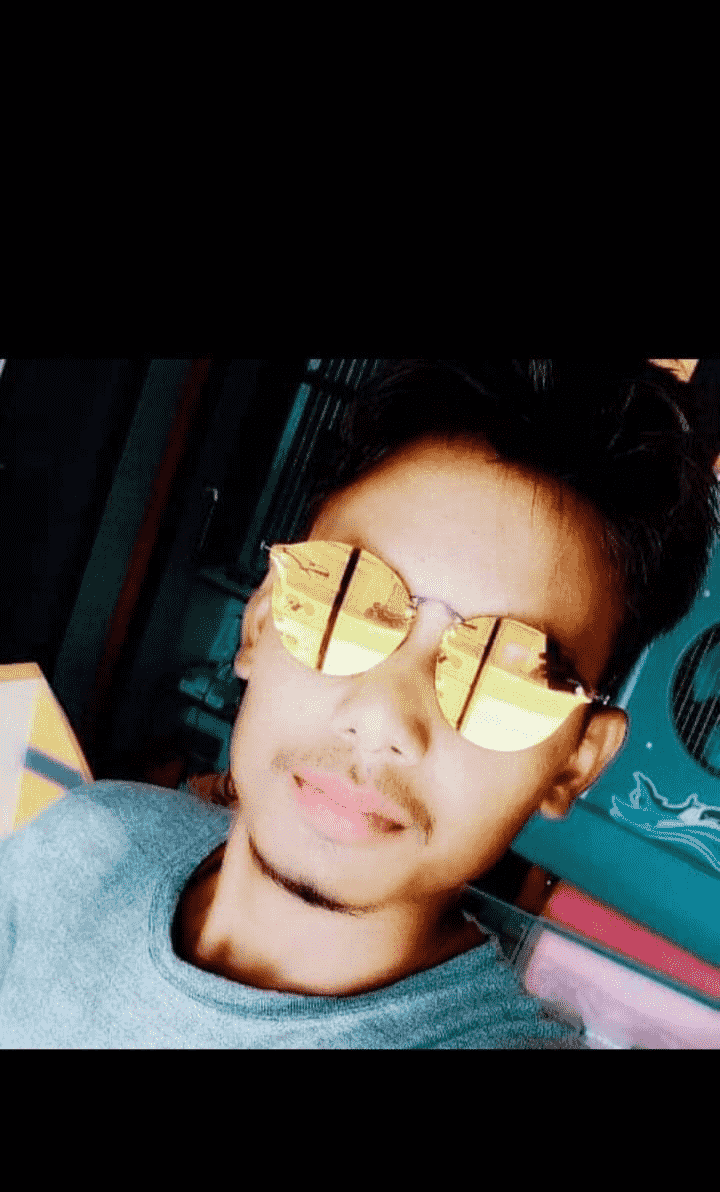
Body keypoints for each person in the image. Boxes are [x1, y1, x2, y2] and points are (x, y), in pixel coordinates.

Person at [2, 359, 718, 1049]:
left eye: (505, 676)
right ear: (260, 624)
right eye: (343, 596)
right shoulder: (81, 844)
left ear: (575, 763)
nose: (382, 717)